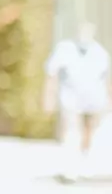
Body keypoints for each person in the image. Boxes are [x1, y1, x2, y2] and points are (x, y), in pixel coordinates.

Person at [44, 21, 110, 182]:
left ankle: (84, 160)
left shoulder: (99, 52)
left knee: (88, 130)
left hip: (93, 99)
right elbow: (52, 74)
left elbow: (107, 78)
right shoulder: (65, 49)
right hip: (71, 99)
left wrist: (109, 99)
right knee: (71, 131)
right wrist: (48, 97)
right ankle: (70, 166)